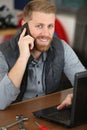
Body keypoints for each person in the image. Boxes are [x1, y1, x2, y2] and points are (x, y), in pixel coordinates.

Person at [0, 0, 86, 110]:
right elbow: (1, 102)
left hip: (50, 114)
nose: (46, 34)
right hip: (14, 117)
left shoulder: (61, 47)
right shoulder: (3, 53)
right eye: (39, 26)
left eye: (50, 26)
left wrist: (76, 97)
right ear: (24, 25)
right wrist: (23, 57)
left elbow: (84, 84)